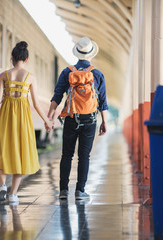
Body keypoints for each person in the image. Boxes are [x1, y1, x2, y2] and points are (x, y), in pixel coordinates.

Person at [47, 37, 108, 200]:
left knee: (66, 155)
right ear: (91, 54)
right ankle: (80, 191)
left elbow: (57, 95)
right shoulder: (97, 73)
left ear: (77, 53)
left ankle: (63, 191)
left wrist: (50, 116)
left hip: (71, 118)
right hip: (90, 120)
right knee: (84, 156)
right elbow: (103, 102)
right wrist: (104, 122)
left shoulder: (68, 72)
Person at [0, 41, 53, 204]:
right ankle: (13, 194)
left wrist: (6, 91)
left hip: (6, 115)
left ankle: (2, 186)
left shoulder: (4, 75)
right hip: (22, 118)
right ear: (26, 60)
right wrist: (47, 120)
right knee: (20, 151)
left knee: (3, 150)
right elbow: (36, 104)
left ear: (12, 58)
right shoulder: (30, 77)